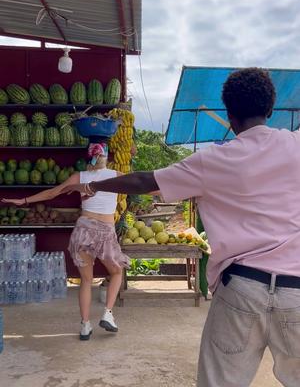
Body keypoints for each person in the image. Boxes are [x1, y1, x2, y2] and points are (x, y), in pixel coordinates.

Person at [61, 68, 300, 386]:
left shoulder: (213, 160)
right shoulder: (295, 145)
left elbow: (146, 180)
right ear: (271, 110)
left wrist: (97, 186)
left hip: (241, 289)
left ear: (228, 115)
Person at [2, 142, 130, 340]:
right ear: (106, 157)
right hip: (105, 230)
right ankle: (108, 313)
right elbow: (141, 184)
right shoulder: (115, 175)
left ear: (89, 158)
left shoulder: (80, 176)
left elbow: (53, 192)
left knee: (86, 280)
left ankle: (85, 326)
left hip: (83, 228)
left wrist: (24, 201)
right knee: (117, 272)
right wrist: (170, 189)